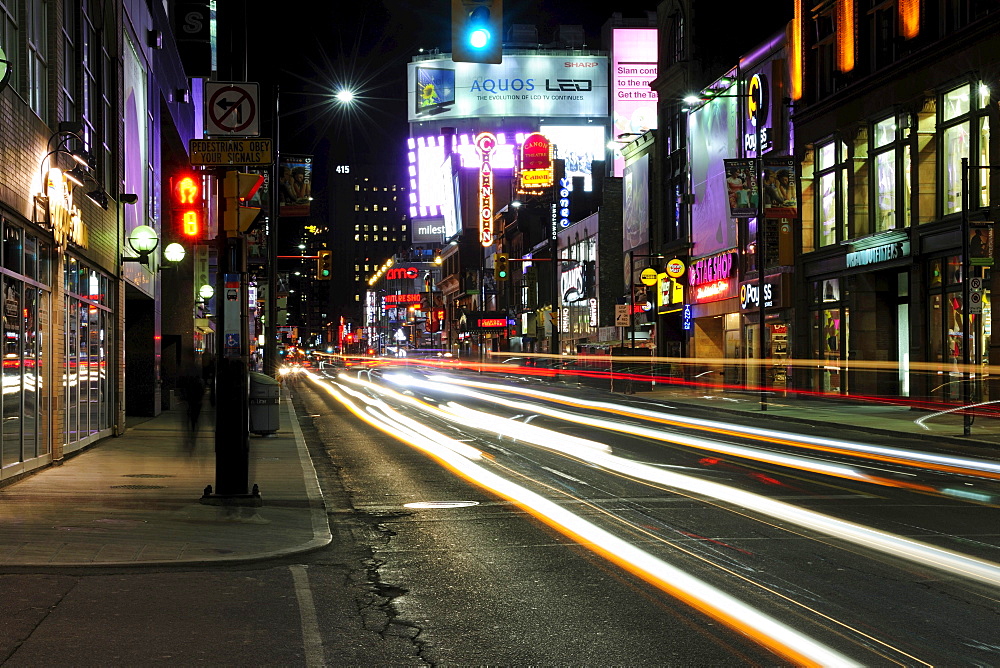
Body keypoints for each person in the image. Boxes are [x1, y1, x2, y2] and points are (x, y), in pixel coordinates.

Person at [178, 352, 205, 451]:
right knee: (194, 420)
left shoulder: (186, 370)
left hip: (189, 398)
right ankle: (192, 436)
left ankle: (189, 437)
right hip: (196, 399)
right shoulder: (197, 369)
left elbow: (181, 383)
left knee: (187, 419)